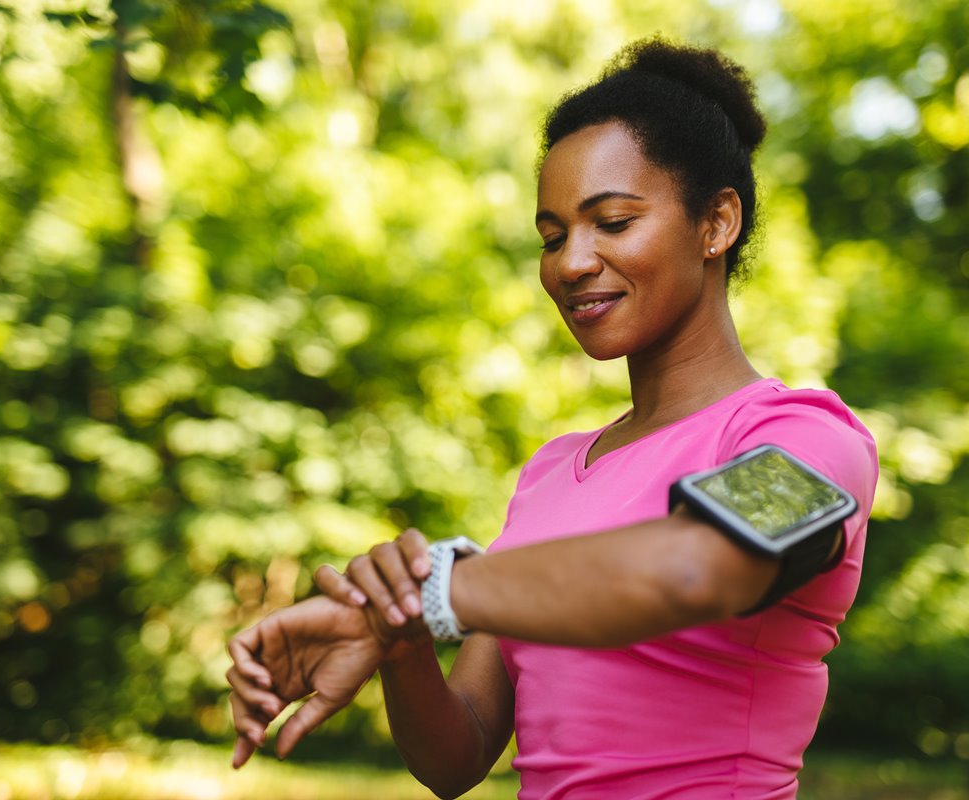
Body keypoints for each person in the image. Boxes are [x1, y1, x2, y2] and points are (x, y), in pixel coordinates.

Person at [225, 38, 878, 800]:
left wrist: (437, 586)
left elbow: (697, 564)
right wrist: (399, 639)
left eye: (613, 221)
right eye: (552, 235)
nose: (570, 263)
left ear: (717, 223)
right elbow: (459, 752)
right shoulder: (553, 471)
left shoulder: (807, 441)